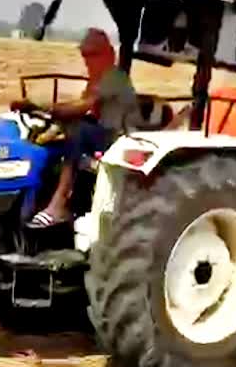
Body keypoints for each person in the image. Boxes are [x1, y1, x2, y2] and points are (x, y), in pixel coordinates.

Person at [12, 28, 140, 228]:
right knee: (60, 134)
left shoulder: (113, 77)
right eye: (85, 55)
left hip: (119, 138)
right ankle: (37, 199)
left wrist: (38, 106)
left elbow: (81, 107)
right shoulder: (97, 80)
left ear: (109, 54)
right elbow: (77, 108)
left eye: (93, 55)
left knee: (78, 130)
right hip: (104, 132)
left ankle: (59, 203)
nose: (88, 61)